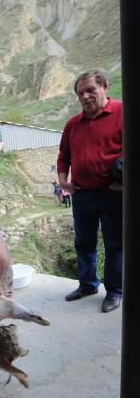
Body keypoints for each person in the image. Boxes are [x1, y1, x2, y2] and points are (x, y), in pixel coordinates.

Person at [57, 68, 123, 313]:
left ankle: (115, 291)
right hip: (81, 194)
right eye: (80, 93)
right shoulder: (73, 124)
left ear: (105, 87)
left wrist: (125, 184)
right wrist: (63, 180)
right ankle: (87, 285)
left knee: (115, 245)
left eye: (90, 90)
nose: (85, 97)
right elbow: (64, 156)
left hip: (113, 195)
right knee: (83, 243)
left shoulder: (123, 112)